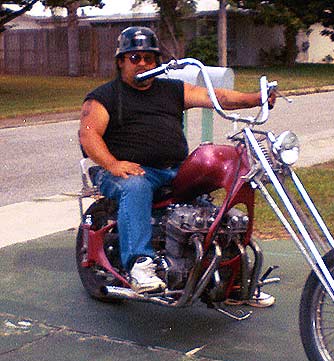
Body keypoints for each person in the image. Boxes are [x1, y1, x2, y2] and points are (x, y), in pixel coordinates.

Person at [79, 26, 276, 307]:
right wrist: (113, 164)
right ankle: (140, 265)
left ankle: (231, 279)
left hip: (173, 169)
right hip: (126, 172)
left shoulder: (171, 89)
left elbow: (215, 97)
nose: (143, 63)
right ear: (121, 61)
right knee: (135, 187)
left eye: (149, 58)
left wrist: (255, 98)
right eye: (135, 58)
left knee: (211, 213)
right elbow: (88, 135)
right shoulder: (104, 96)